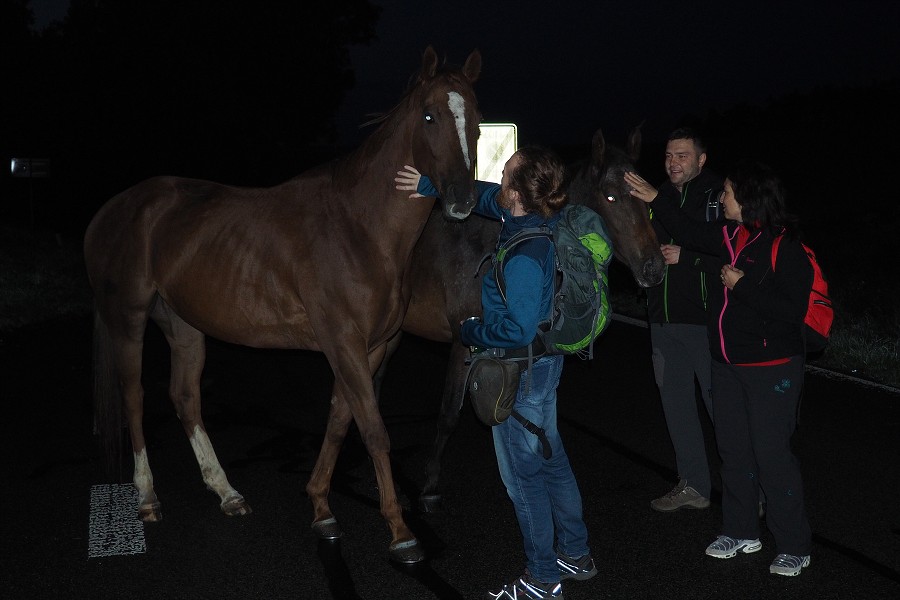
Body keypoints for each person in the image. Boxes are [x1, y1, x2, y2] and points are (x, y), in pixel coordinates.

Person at [396, 147, 596, 599]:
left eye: (505, 176)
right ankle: (577, 555)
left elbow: (517, 328)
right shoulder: (525, 219)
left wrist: (471, 329)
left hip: (519, 371)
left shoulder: (526, 253)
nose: (497, 180)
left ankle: (543, 579)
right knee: (552, 457)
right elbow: (482, 197)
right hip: (544, 366)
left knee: (523, 478)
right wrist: (430, 186)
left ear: (519, 193)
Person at [625, 160, 814, 576]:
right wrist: (659, 201)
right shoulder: (731, 235)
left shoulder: (786, 247)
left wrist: (740, 286)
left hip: (772, 368)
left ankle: (794, 544)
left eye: (727, 193)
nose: (721, 199)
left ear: (747, 200)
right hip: (726, 364)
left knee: (771, 455)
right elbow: (693, 234)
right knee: (733, 451)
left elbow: (790, 311)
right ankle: (741, 529)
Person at [640, 128, 724, 512]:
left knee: (721, 410)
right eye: (669, 155)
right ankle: (693, 485)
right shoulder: (657, 194)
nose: (673, 163)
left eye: (683, 156)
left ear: (701, 159)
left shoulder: (718, 195)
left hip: (707, 322)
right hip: (663, 318)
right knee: (676, 408)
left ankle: (750, 491)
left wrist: (686, 256)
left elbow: (723, 248)